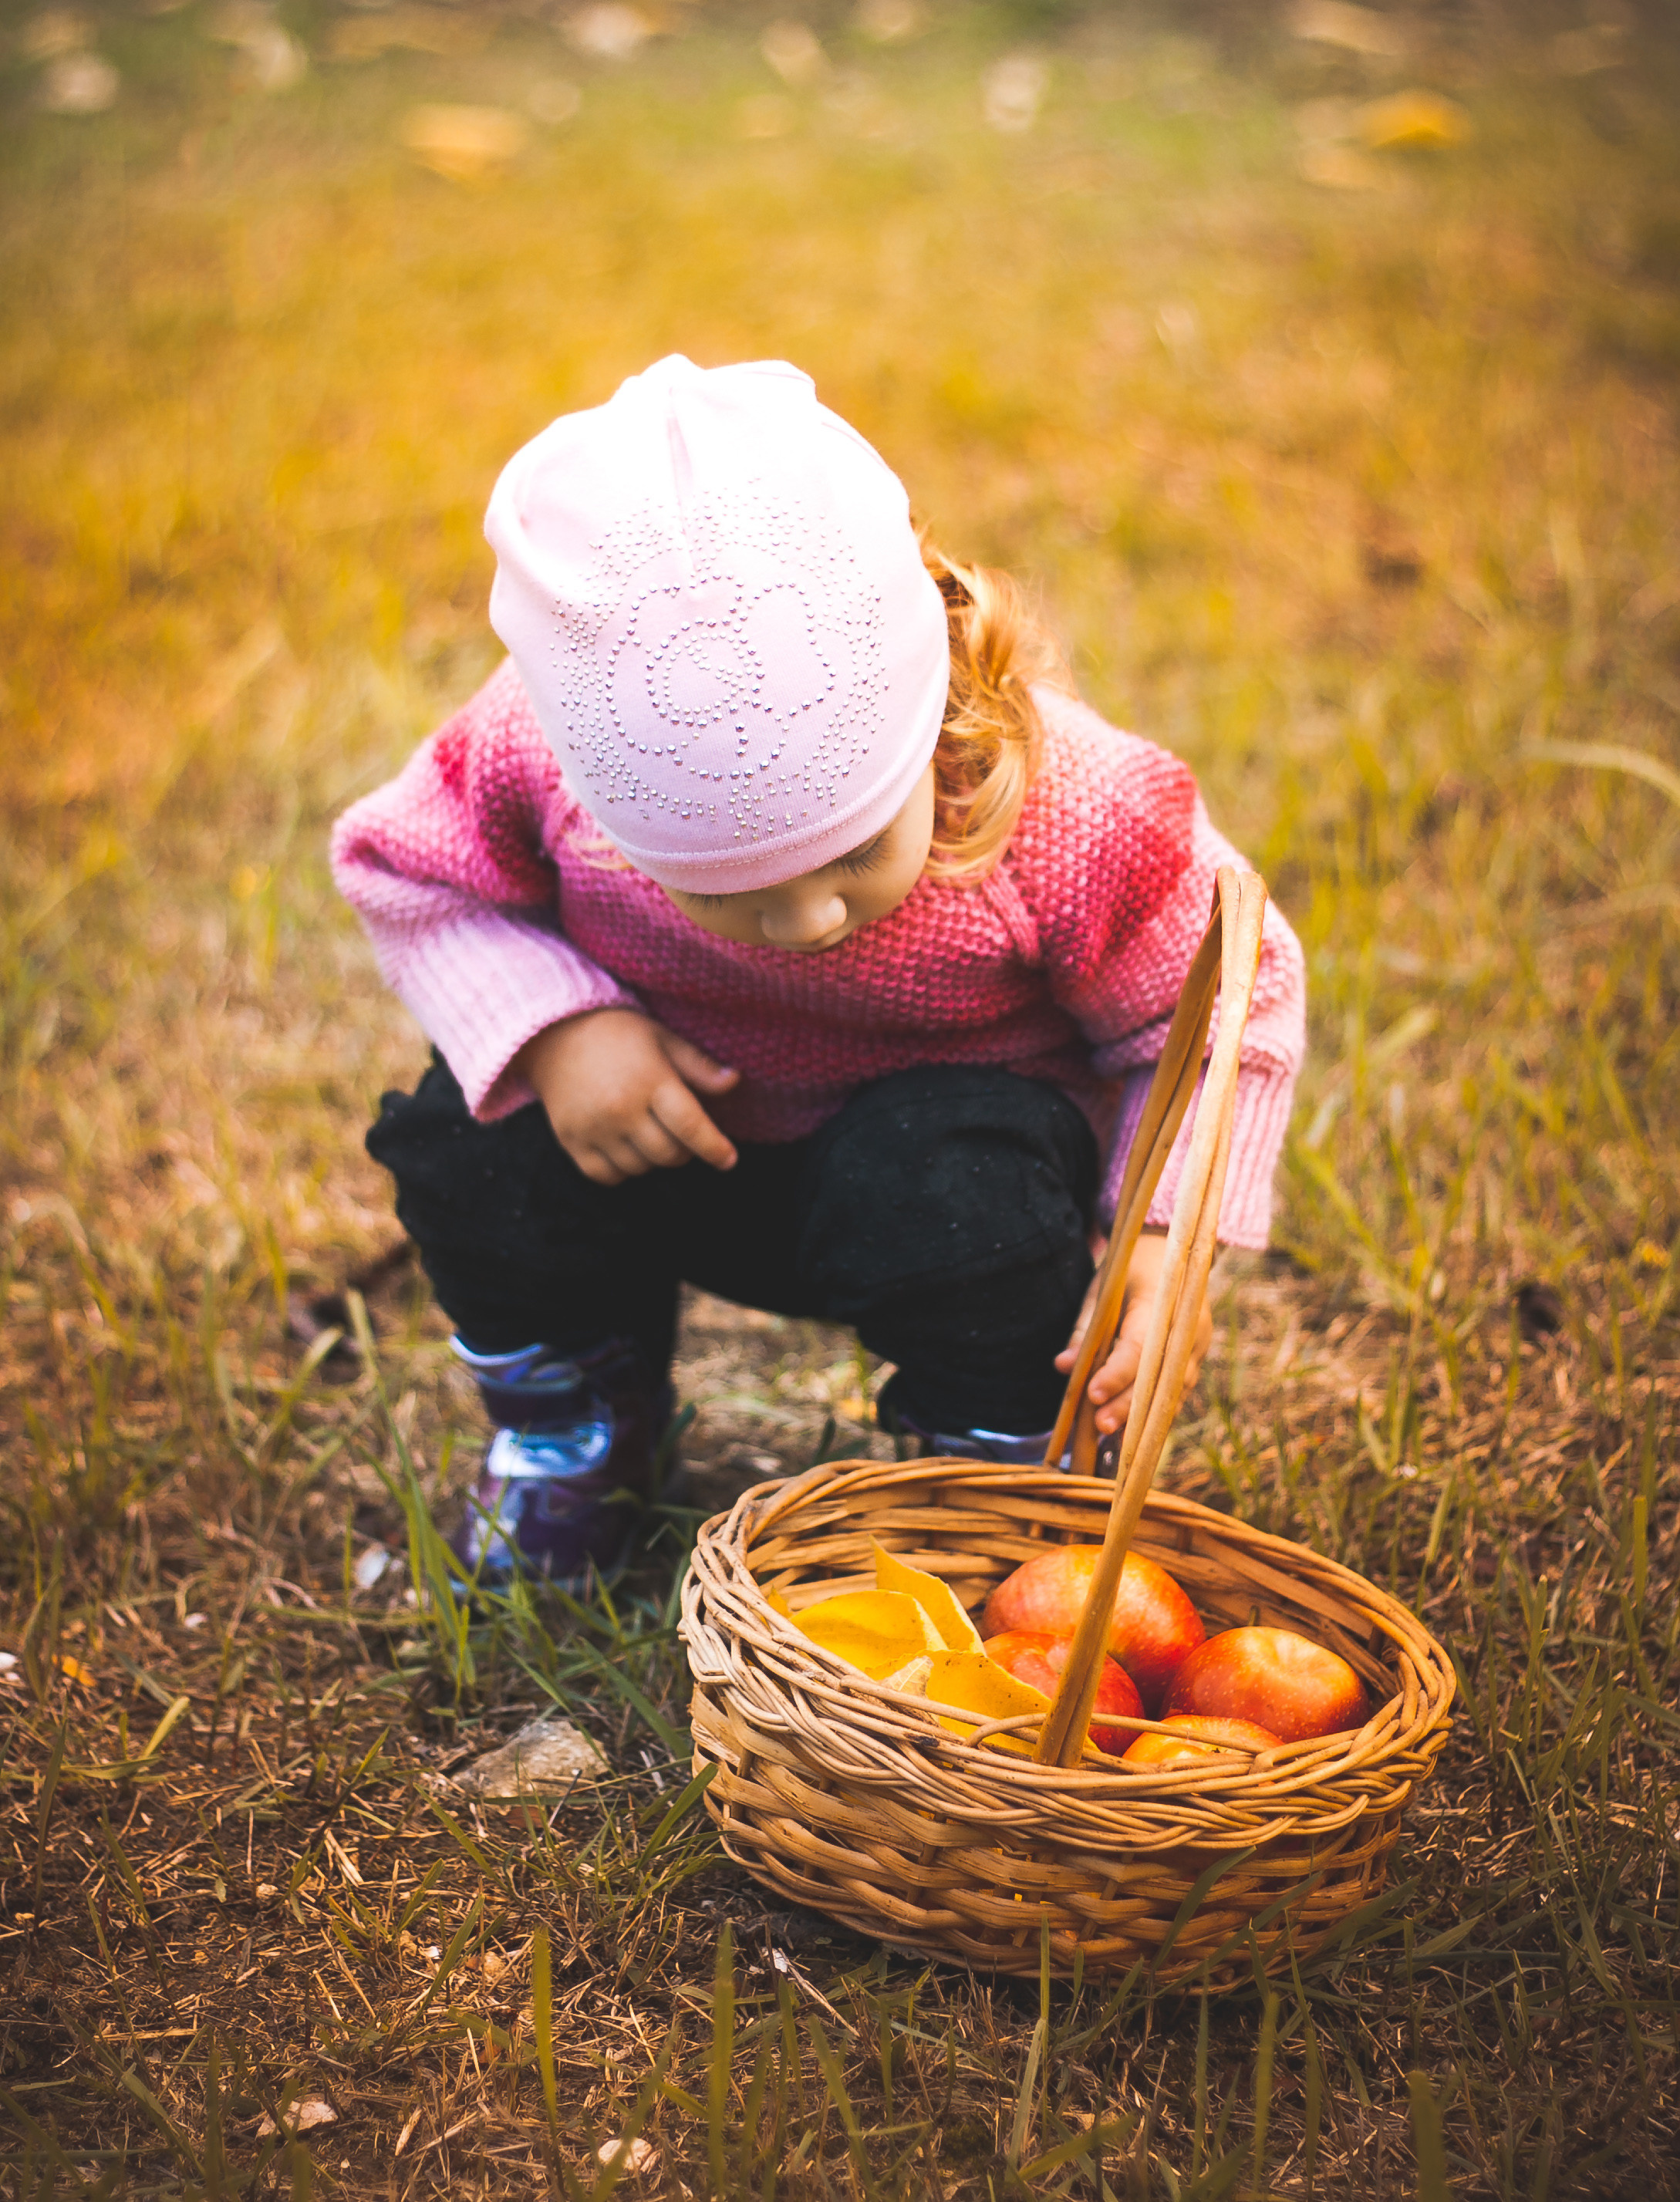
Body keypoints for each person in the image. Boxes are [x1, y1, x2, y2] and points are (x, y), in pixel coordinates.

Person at [332, 356, 1305, 1583]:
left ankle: (992, 1470)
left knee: (959, 1186)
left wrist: (1170, 1233)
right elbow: (407, 870)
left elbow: (1220, 1003)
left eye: (853, 852)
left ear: (932, 708)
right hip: (668, 1150)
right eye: (720, 888)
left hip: (943, 1203)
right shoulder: (540, 745)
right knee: (466, 1137)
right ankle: (577, 1430)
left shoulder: (1067, 810)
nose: (801, 921)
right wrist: (558, 1032)